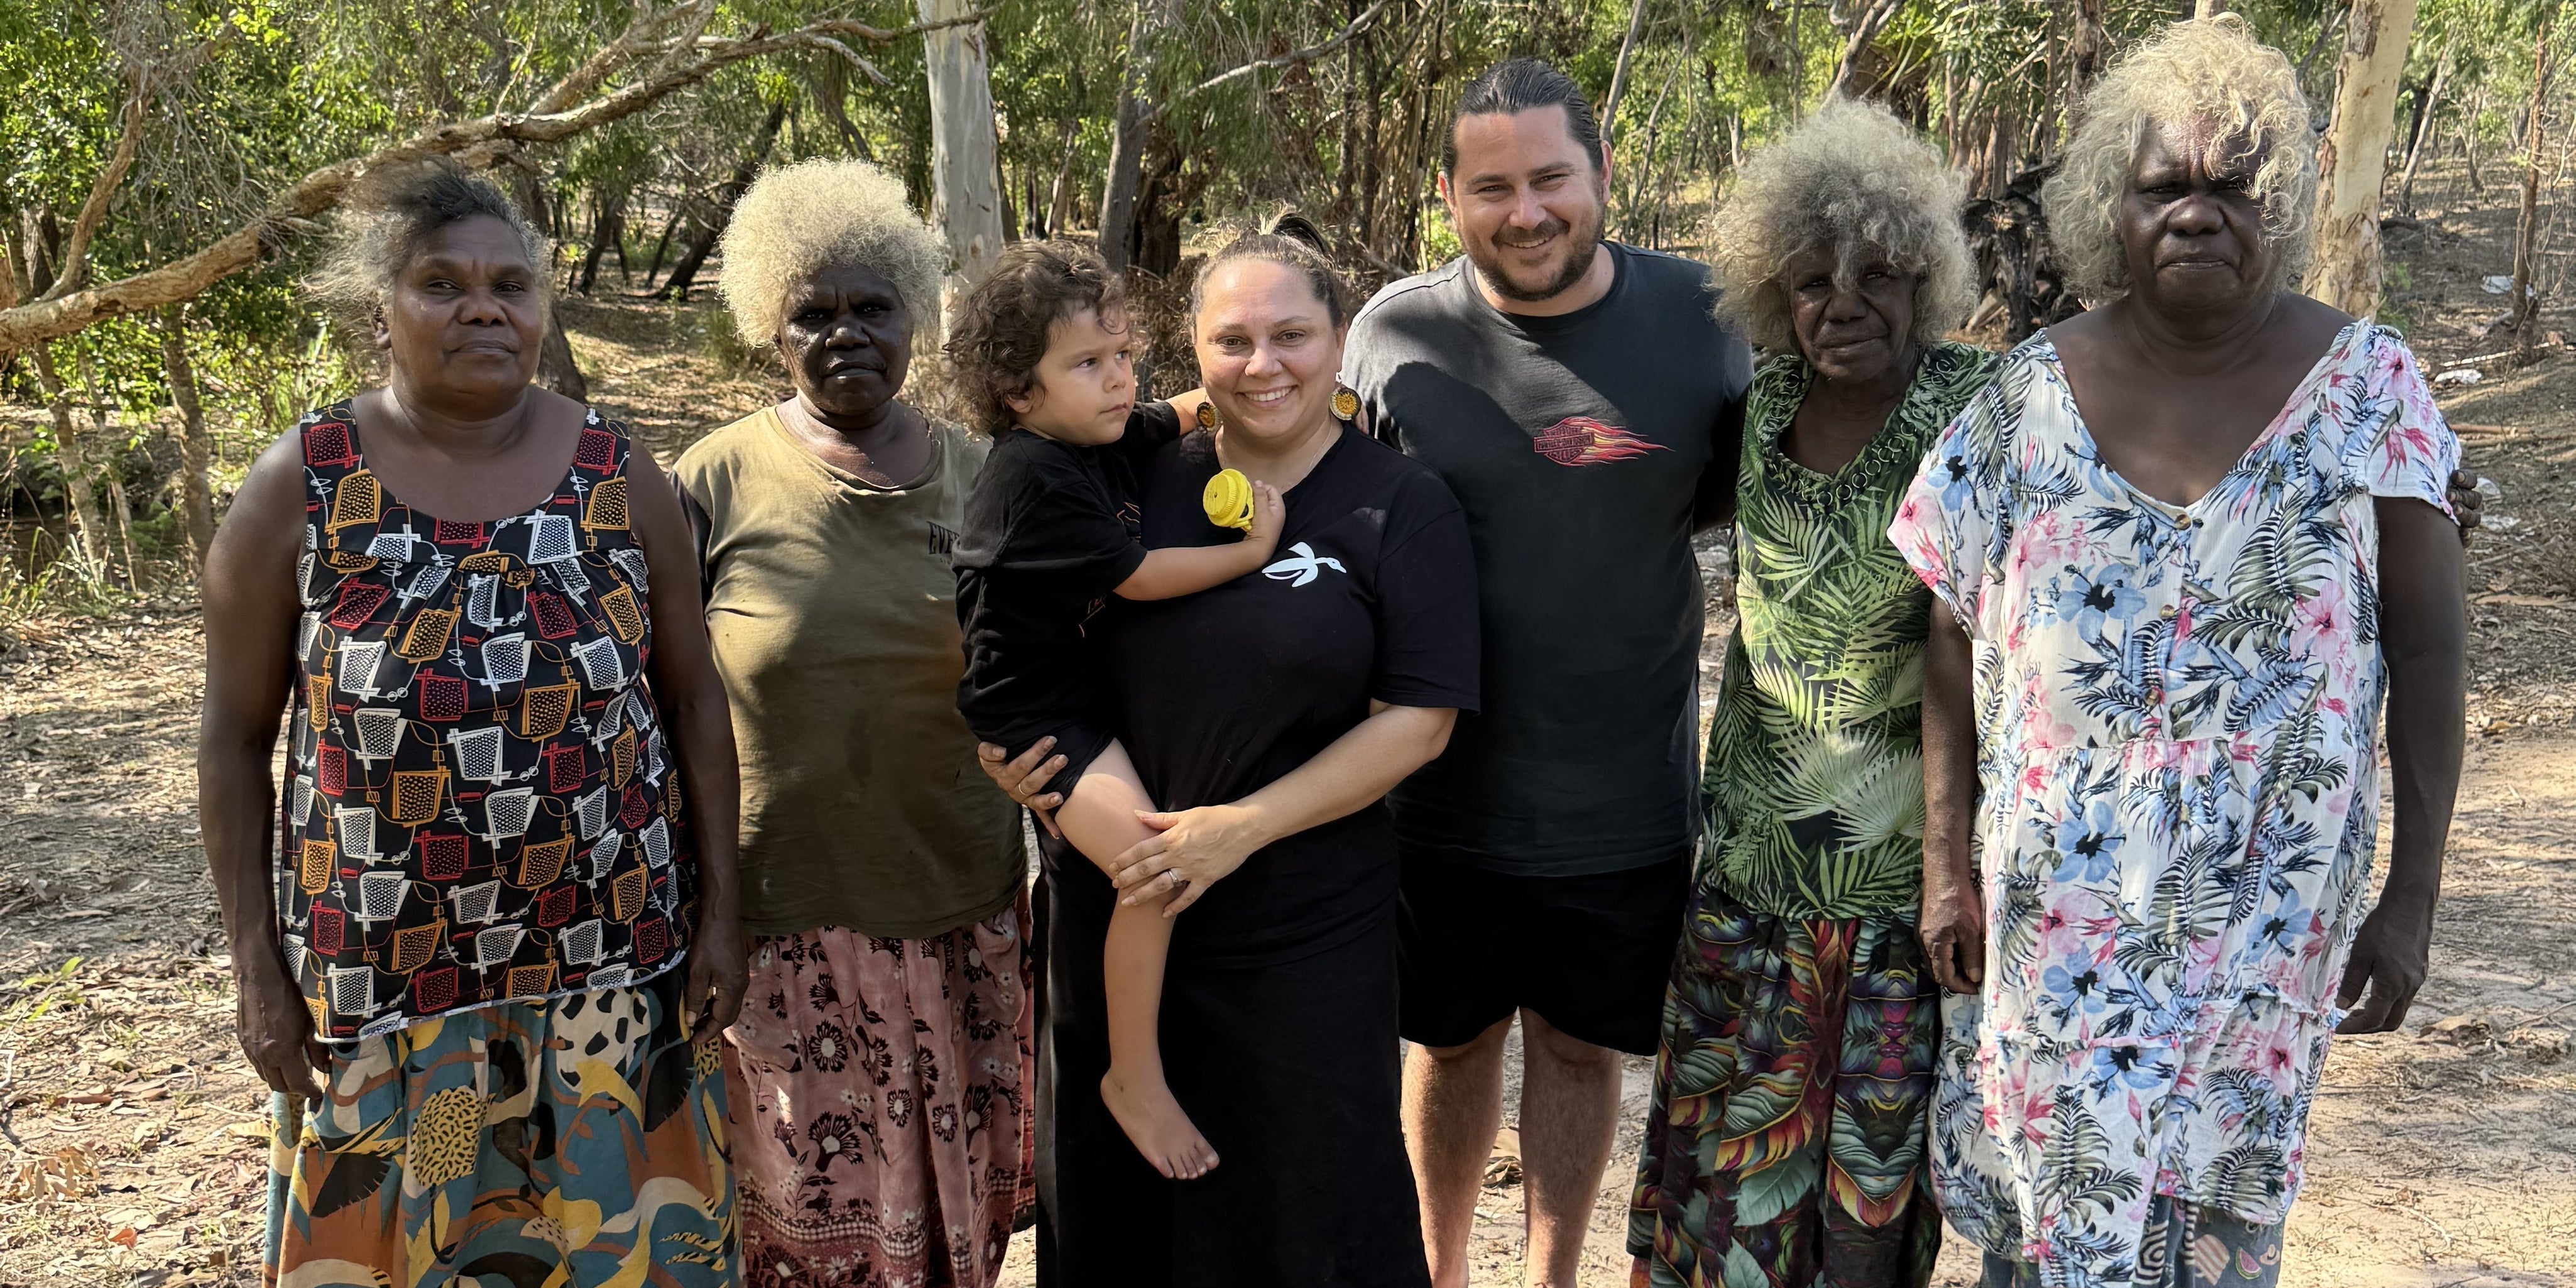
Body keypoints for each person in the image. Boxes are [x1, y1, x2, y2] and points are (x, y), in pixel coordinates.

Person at [1889, 18, 2466, 1287]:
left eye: (2232, 185)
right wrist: (1945, 866)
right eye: (2164, 186)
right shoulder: (2025, 398)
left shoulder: (2370, 388)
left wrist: (2412, 897)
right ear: (2114, 200)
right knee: (2039, 1239)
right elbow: (1947, 625)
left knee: (2210, 1240)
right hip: (2054, 917)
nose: (2197, 212)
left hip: (2261, 914)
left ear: (2286, 197)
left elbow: (2428, 653)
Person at [197, 156, 743, 1285]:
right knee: (424, 1254)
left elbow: (693, 697)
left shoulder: (621, 475)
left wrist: (724, 910)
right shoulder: (301, 484)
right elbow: (235, 736)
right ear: (380, 309)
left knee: (612, 1251)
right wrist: (256, 965)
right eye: (441, 284)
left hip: (609, 981)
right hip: (392, 994)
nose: (484, 305)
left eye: (511, 285)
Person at [984, 216, 1479, 1285]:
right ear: (1195, 351)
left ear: (1343, 337)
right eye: (1233, 340)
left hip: (1302, 936)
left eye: (1292, 335)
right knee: (1124, 1234)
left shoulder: (1400, 505)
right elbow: (1005, 614)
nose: (1264, 365)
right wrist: (1015, 750)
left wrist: (1239, 829)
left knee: (1311, 1221)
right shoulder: (1116, 472)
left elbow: (1418, 722)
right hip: (1112, 916)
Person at [1350, 58, 1753, 1288]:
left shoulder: (1707, 322)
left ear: (1602, 175)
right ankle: (1439, 1271)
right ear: (1448, 195)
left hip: (1623, 792)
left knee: (1581, 1050)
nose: (1524, 211)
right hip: (1437, 791)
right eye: (1491, 187)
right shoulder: (1390, 335)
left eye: (1549, 179)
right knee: (1448, 1041)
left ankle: (1549, 1275)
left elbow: (1738, 512)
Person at [1625, 97, 1989, 1288]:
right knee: (1725, 1181)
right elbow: (1621, 488)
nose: (1845, 304)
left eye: (1880, 274)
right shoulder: (1762, 408)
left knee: (1861, 1203)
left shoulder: (1978, 414)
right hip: (1746, 875)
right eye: (1813, 277)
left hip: (1892, 891)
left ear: (1926, 280)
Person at [672, 158, 1035, 1287]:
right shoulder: (714, 481)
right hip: (784, 923)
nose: (844, 335)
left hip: (959, 909)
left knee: (950, 1221)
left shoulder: (989, 480)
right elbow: (664, 705)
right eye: (811, 315)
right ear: (768, 330)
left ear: (914, 316)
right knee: (794, 1224)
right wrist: (703, 912)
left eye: (871, 308)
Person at [947, 240, 1286, 1182]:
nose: (1118, 380)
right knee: (1153, 864)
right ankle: (1130, 1077)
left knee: (1151, 865)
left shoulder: (1089, 436)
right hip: (1037, 716)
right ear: (1019, 391)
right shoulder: (1033, 475)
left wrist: (1249, 388)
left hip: (1077, 696)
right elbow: (1138, 579)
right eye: (1087, 364)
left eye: (1124, 354)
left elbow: (1168, 413)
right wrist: (1252, 550)